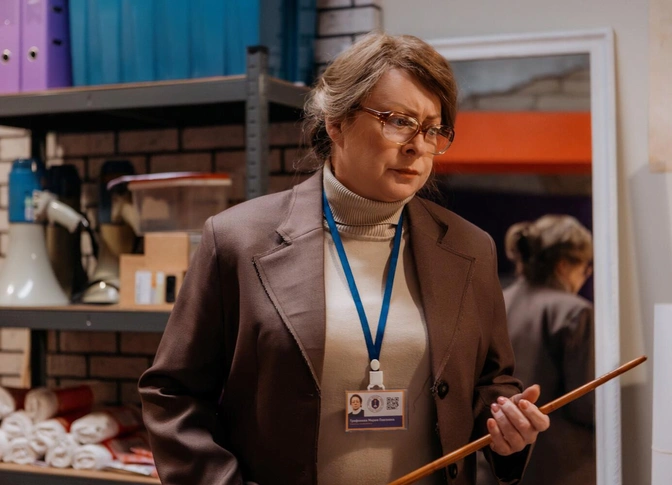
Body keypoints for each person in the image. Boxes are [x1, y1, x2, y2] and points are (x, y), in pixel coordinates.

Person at [138, 32, 549, 485]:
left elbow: (492, 382)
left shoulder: (470, 248)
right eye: (398, 121)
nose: (417, 145)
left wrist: (508, 425)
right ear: (336, 123)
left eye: (432, 129)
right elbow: (172, 393)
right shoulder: (237, 240)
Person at [485, 215, 595, 485]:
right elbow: (586, 406)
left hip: (496, 462)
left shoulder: (496, 302)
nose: (585, 276)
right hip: (560, 468)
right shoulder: (575, 311)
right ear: (563, 265)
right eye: (585, 268)